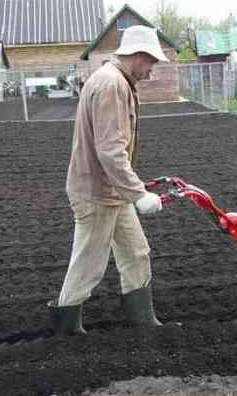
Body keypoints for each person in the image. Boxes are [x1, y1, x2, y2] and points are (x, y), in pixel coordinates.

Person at [47, 25, 170, 335]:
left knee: (136, 252)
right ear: (138, 56)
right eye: (151, 62)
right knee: (89, 262)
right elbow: (110, 150)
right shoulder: (111, 84)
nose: (151, 70)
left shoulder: (117, 81)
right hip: (95, 193)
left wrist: (132, 189)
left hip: (113, 192)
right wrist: (138, 194)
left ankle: (143, 321)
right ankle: (66, 329)